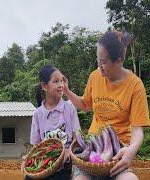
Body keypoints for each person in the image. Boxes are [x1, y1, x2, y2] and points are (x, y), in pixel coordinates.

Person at [63, 30, 150, 180]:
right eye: (98, 60)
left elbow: (137, 129)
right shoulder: (95, 77)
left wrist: (131, 151)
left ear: (119, 60)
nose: (99, 66)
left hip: (118, 151)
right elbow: (85, 104)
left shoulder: (135, 85)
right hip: (92, 147)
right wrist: (67, 91)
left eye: (104, 62)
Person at [23, 65, 81, 180]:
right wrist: (29, 159)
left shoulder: (69, 108)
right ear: (44, 86)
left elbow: (77, 140)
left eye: (62, 81)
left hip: (66, 164)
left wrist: (68, 152)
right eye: (56, 81)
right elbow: (36, 146)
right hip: (46, 163)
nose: (61, 85)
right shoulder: (38, 114)